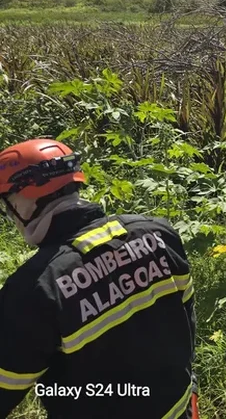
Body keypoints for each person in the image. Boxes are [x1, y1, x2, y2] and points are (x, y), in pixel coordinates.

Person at [0, 139, 199, 418]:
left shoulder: (35, 288)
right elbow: (186, 323)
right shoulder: (159, 234)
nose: (9, 213)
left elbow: (5, 386)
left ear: (28, 198)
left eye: (8, 203)